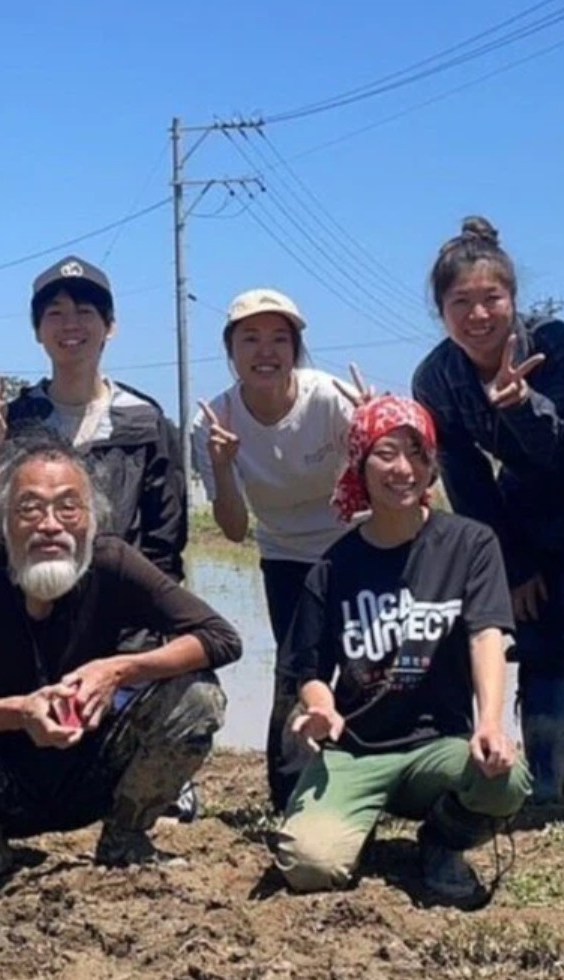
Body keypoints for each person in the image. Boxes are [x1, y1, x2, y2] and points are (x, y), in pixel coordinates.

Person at [0, 439, 240, 894]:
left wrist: (119, 670)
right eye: (29, 509)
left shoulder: (112, 562)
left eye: (68, 508)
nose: (50, 525)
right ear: (2, 522)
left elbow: (219, 637)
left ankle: (125, 838)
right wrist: (18, 711)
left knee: (197, 697)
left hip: (97, 773)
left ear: (91, 520)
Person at [410, 216, 564, 815]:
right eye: (462, 303)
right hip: (521, 504)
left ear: (513, 299)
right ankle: (545, 783)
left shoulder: (557, 344)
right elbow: (465, 479)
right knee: (536, 636)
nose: (478, 316)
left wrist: (521, 406)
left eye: (492, 299)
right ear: (442, 311)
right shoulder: (436, 377)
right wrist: (509, 564)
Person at [272, 396, 530, 907]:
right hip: (357, 749)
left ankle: (441, 841)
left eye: (417, 452)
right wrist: (321, 708)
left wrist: (491, 723)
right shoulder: (333, 566)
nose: (403, 469)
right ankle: (353, 824)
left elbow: (485, 635)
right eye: (385, 453)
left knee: (505, 778)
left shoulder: (469, 544)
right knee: (309, 865)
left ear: (433, 464)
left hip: (438, 747)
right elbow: (310, 667)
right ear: (360, 465)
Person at [189, 288, 358, 812]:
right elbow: (235, 530)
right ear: (230, 351)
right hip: (284, 554)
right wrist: (222, 464)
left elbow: (384, 484)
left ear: (297, 349)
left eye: (279, 339)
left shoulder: (329, 399)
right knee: (295, 668)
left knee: (365, 663)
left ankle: (366, 777)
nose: (266, 351)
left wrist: (373, 434)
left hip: (354, 542)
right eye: (251, 338)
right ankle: (289, 793)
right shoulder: (213, 422)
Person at [0, 256, 188, 582]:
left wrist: (156, 620)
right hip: (27, 608)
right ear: (38, 331)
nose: (70, 325)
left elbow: (164, 539)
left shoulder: (144, 423)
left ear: (110, 326)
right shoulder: (11, 422)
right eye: (55, 313)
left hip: (121, 617)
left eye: (84, 312)